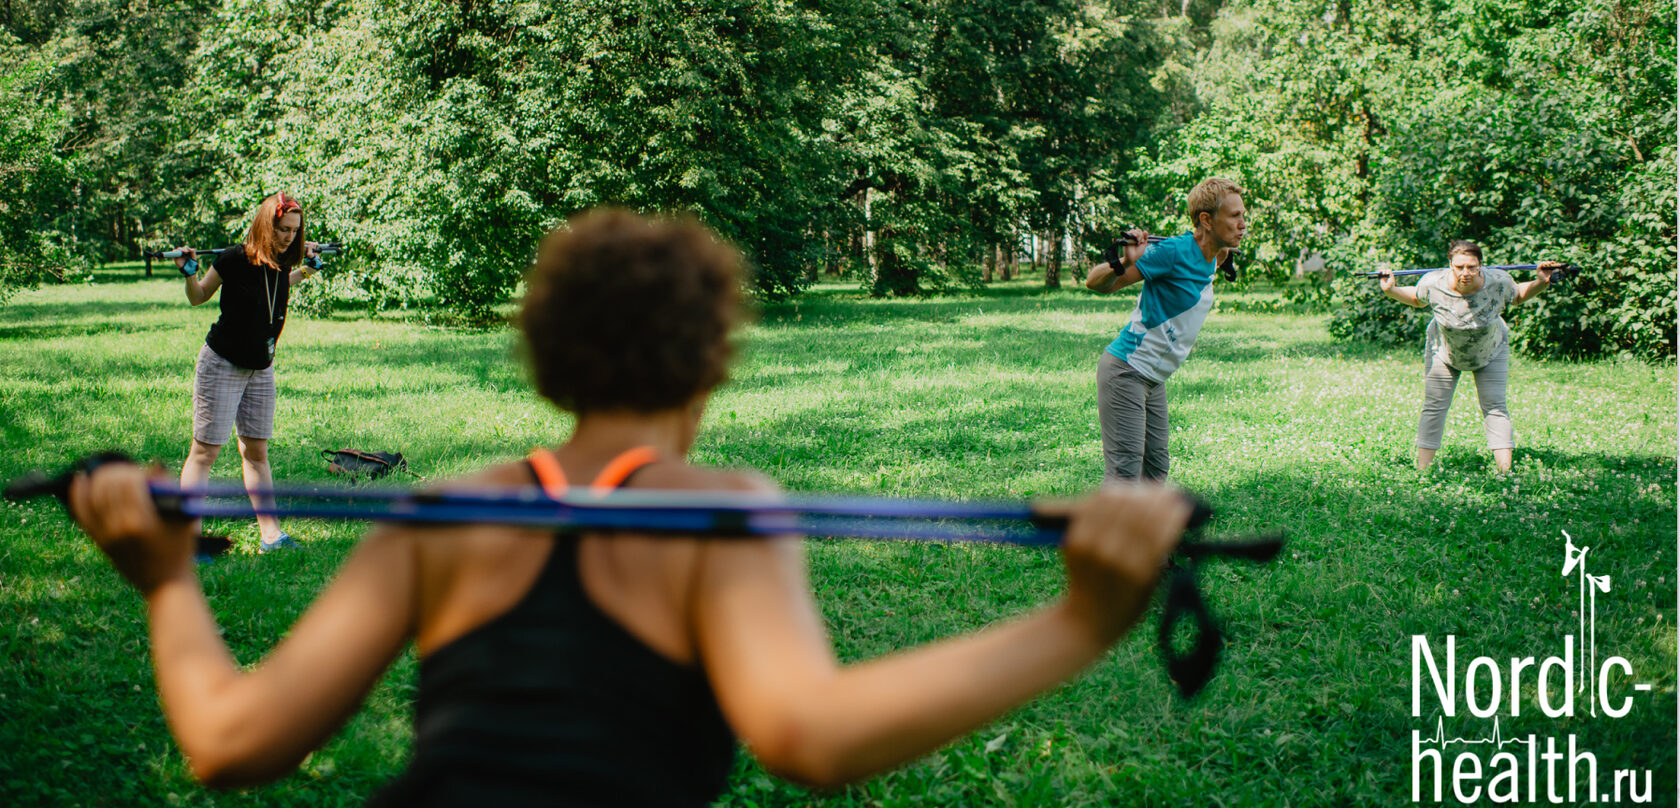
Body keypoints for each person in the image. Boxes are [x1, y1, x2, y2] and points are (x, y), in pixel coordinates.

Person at [65, 209, 1192, 805]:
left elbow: (227, 742)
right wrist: (1081, 621)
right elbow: (809, 736)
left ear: (548, 365)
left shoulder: (448, 509)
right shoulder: (723, 507)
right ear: (710, 370)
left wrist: (165, 578)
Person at [173, 192, 324, 554]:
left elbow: (275, 289)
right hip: (222, 362)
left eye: (294, 231)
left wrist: (306, 269)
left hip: (261, 367)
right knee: (205, 452)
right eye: (283, 229)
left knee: (257, 452)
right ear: (265, 223)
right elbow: (199, 297)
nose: (289, 237)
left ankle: (272, 537)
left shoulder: (282, 261)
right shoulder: (233, 259)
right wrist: (190, 274)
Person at [1085, 177, 1246, 483]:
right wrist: (1124, 261)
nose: (1242, 224)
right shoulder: (1171, 252)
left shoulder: (1218, 255)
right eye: (1234, 216)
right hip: (1126, 370)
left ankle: (1148, 531)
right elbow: (1095, 283)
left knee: (1156, 471)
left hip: (1154, 379)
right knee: (1125, 473)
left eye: (1243, 216)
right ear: (1206, 220)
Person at [1378, 240, 1560, 474]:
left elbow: (1518, 296)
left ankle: (1505, 472)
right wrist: (1390, 290)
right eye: (1460, 267)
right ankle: (1423, 472)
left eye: (1472, 267)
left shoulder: (1498, 281)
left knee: (1495, 406)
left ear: (1481, 265)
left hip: (1490, 349)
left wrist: (1541, 282)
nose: (1466, 273)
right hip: (1444, 351)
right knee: (1434, 406)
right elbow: (1416, 298)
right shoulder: (1433, 282)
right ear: (1450, 265)